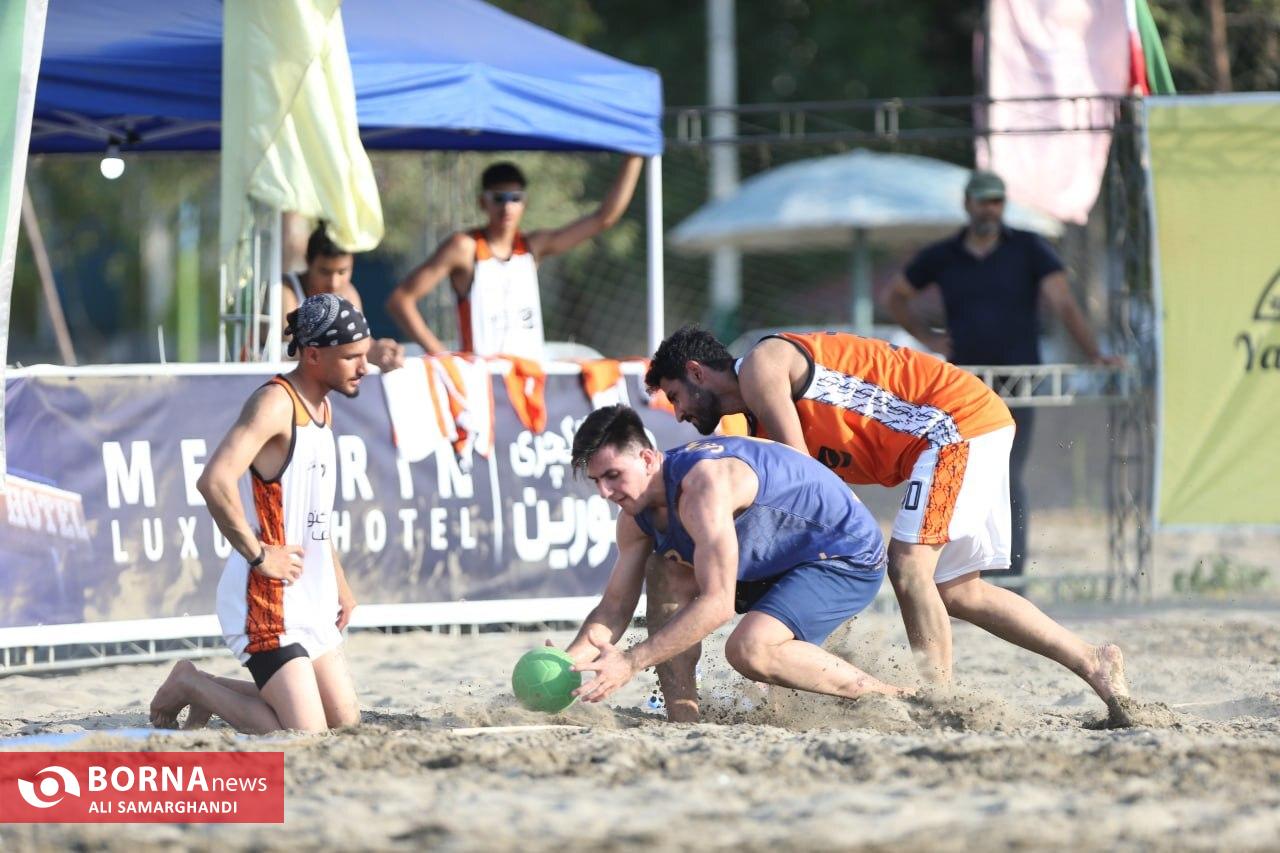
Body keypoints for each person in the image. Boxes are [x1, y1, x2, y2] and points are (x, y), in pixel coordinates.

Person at [644, 325, 1127, 709]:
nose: (678, 413)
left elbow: (804, 480)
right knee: (959, 592)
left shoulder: (760, 367)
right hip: (959, 426)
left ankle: (939, 702)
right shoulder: (746, 421)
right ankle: (1092, 661)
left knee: (909, 566)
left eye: (674, 396)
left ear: (697, 372)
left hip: (953, 424)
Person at [560, 404, 909, 724]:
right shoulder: (634, 517)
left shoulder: (701, 488)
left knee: (749, 649)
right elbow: (614, 608)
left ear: (648, 459)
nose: (605, 492)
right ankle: (683, 718)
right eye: (596, 481)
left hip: (844, 553)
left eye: (613, 475)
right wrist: (565, 664)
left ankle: (896, 699)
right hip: (775, 559)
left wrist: (630, 662)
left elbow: (718, 604)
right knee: (664, 569)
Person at [885, 169, 1122, 578]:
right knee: (960, 473)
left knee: (1006, 473)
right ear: (968, 204)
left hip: (1018, 379)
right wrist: (929, 338)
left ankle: (1010, 574)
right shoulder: (942, 255)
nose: (989, 209)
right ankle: (962, 574)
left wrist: (1095, 353)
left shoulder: (1030, 248)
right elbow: (897, 297)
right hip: (964, 383)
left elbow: (1063, 303)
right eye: (982, 200)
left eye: (996, 201)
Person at [149, 294, 368, 734]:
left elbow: (314, 515)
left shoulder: (323, 405)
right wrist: (259, 555)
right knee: (305, 734)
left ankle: (207, 684)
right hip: (265, 598)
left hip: (308, 592)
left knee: (344, 722)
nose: (364, 367)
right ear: (312, 355)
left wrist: (339, 583)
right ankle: (192, 684)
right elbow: (214, 481)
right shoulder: (275, 403)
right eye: (351, 357)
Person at [385, 156, 644, 360]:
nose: (507, 207)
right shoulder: (465, 248)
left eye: (515, 198)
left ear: (524, 203)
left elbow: (603, 219)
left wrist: (635, 156)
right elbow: (401, 300)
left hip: (527, 383)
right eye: (498, 198)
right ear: (483, 202)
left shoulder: (532, 247)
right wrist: (444, 358)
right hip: (483, 383)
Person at [282, 223, 405, 373]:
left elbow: (360, 341)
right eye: (325, 272)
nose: (333, 283)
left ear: (352, 263)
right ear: (308, 262)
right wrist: (364, 351)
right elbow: (293, 348)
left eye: (342, 272)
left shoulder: (348, 293)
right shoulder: (285, 290)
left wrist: (380, 351)